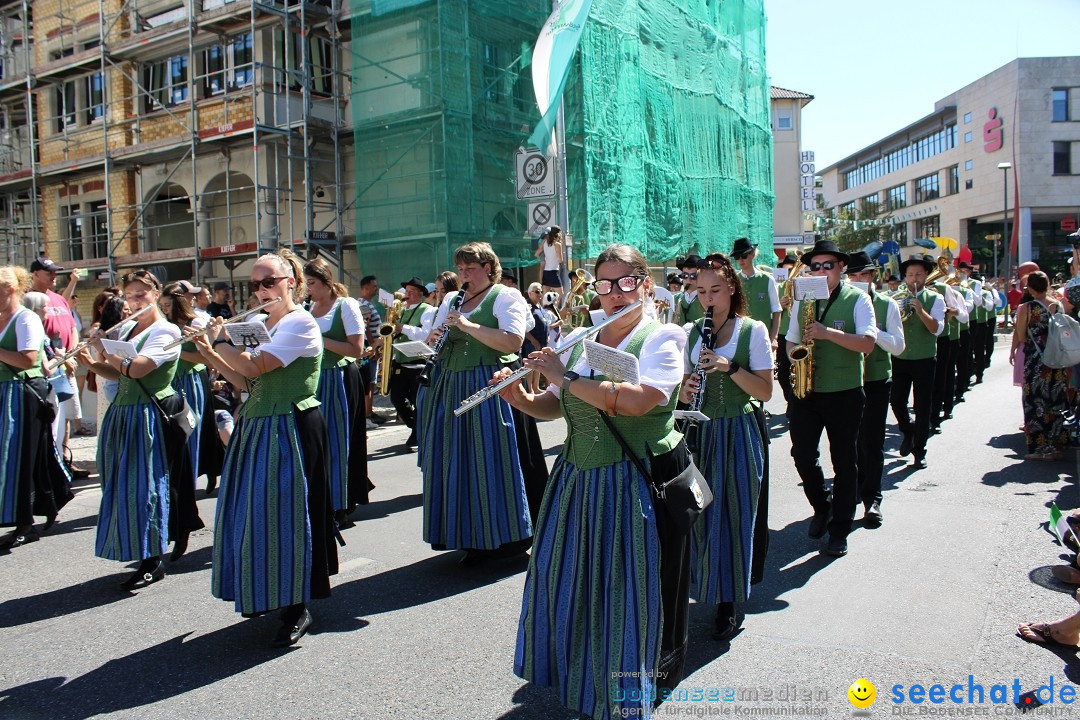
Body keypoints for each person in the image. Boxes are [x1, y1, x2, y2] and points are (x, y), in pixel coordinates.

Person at [499, 243, 691, 719]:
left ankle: (631, 690)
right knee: (575, 580)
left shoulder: (663, 337)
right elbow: (556, 407)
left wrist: (562, 378)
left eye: (626, 282)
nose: (614, 295)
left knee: (628, 589)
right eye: (604, 285)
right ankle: (584, 678)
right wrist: (518, 396)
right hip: (578, 480)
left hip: (632, 482)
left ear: (645, 284)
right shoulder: (583, 335)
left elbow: (640, 401)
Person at [194, 250, 337, 647]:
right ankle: (264, 589)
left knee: (285, 516)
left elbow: (256, 367)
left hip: (289, 426)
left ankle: (295, 605)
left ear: (291, 281)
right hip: (258, 424)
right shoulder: (257, 323)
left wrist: (221, 339)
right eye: (255, 284)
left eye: (269, 281)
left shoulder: (300, 322)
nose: (261, 290)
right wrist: (209, 349)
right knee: (252, 515)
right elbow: (243, 381)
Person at [416, 242, 545, 560]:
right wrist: (434, 338)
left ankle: (509, 537)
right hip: (452, 383)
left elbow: (513, 341)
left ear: (488, 268)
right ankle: (470, 535)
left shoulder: (505, 296)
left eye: (470, 269)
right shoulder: (450, 298)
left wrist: (468, 325)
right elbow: (438, 340)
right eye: (460, 269)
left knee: (493, 459)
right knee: (457, 460)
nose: (464, 275)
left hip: (491, 382)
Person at [76, 269, 190, 589]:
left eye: (142, 294)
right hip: (123, 414)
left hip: (147, 418)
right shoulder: (127, 328)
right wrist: (91, 357)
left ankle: (153, 559)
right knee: (121, 487)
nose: (135, 300)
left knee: (145, 488)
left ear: (155, 294)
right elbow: (119, 375)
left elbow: (138, 368)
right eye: (130, 296)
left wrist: (108, 349)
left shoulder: (165, 331)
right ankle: (136, 551)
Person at [680, 253, 773, 641]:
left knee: (733, 516)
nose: (708, 298)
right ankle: (704, 590)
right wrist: (682, 389)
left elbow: (765, 390)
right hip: (698, 432)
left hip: (737, 431)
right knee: (698, 515)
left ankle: (728, 603)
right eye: (701, 291)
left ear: (732, 288)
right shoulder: (690, 331)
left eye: (715, 289)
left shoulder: (753, 330)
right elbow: (679, 386)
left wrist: (729, 367)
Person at [785, 239, 877, 558]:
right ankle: (821, 506)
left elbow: (867, 344)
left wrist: (827, 334)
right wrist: (796, 358)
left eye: (828, 265)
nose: (821, 271)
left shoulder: (858, 299)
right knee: (802, 454)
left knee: (844, 463)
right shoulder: (803, 297)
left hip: (845, 392)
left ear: (841, 267)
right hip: (807, 392)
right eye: (815, 266)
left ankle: (840, 529)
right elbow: (791, 340)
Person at [0, 267, 72, 549]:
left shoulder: (26, 318)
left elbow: (27, 359)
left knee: (20, 458)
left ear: (9, 289)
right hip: (5, 393)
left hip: (21, 394)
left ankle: (25, 523)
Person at [304, 258, 368, 519]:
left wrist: (319, 338)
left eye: (312, 283)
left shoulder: (345, 305)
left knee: (338, 441)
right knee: (316, 443)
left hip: (339, 378)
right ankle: (321, 498)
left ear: (326, 282)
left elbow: (356, 350)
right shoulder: (308, 308)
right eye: (306, 283)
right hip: (316, 379)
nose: (308, 289)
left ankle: (339, 501)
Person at [846, 252, 904, 525]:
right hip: (847, 381)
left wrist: (872, 333)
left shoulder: (887, 305)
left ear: (872, 277)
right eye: (853, 276)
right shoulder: (842, 304)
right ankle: (854, 491)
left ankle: (873, 499)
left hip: (877, 380)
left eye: (863, 276)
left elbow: (898, 346)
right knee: (850, 442)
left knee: (872, 441)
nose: (858, 281)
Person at [158, 283, 216, 551]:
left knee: (187, 441)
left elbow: (203, 358)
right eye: (162, 305)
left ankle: (188, 496)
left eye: (168, 305)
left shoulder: (195, 322)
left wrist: (176, 348)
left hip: (189, 383)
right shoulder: (159, 325)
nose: (164, 309)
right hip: (170, 383)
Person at [890, 254, 945, 470]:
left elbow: (936, 329)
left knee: (922, 408)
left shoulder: (935, 298)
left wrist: (920, 310)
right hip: (900, 358)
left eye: (918, 274)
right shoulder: (895, 297)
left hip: (924, 359)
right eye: (910, 274)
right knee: (896, 401)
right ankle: (907, 430)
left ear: (926, 276)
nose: (914, 278)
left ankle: (919, 452)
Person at [1010, 271, 1070, 461]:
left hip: (1036, 359)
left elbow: (1021, 335)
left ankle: (1038, 448)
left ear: (1031, 288)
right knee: (1056, 400)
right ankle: (1056, 446)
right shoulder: (1057, 304)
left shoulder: (1026, 308)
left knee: (1035, 401)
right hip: (1057, 358)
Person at [390, 276, 434, 451]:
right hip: (400, 360)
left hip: (417, 361)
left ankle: (417, 433)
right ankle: (416, 425)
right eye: (406, 291)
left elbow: (424, 334)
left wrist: (402, 328)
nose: (406, 295)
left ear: (420, 294)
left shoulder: (427, 310)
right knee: (396, 398)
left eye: (410, 292)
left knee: (418, 400)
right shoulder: (400, 310)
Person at [731, 237, 781, 352]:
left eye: (744, 256)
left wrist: (773, 338)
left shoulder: (768, 279)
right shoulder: (733, 280)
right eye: (737, 257)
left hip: (763, 338)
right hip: (738, 338)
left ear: (753, 254)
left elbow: (777, 311)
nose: (740, 260)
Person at [673, 255, 705, 324]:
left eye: (694, 276)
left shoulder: (706, 299)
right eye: (685, 276)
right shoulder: (674, 299)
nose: (688, 280)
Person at [534, 225, 564, 296]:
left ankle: (546, 307)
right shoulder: (557, 244)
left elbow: (536, 254)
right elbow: (560, 260)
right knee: (560, 293)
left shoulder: (544, 242)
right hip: (553, 271)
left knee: (545, 295)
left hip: (546, 272)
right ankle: (554, 306)